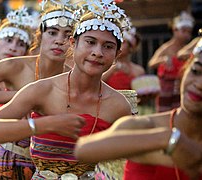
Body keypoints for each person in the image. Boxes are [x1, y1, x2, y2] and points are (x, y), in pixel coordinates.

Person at [0, 0, 132, 179]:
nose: (98, 52)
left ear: (117, 55)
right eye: (90, 42)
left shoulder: (119, 105)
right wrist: (46, 124)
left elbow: (128, 159)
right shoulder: (44, 89)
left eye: (108, 46)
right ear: (73, 44)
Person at [0, 1, 76, 179]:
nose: (59, 40)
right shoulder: (15, 67)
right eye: (53, 32)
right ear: (40, 36)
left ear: (74, 42)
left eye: (67, 35)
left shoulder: (71, 77)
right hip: (10, 159)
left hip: (51, 165)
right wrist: (21, 95)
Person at [75, 38, 202, 180]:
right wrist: (167, 139)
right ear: (185, 70)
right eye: (196, 71)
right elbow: (84, 150)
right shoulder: (145, 127)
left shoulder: (136, 70)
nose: (199, 84)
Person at [148, 11, 194, 112]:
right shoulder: (166, 48)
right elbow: (151, 63)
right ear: (175, 30)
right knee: (164, 113)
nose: (186, 35)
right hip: (166, 89)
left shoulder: (188, 49)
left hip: (181, 87)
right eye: (184, 31)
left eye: (189, 32)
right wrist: (163, 59)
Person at [103, 23, 145, 90]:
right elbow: (95, 84)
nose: (119, 45)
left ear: (131, 47)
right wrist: (113, 69)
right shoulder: (104, 66)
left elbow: (141, 95)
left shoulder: (138, 70)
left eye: (123, 42)